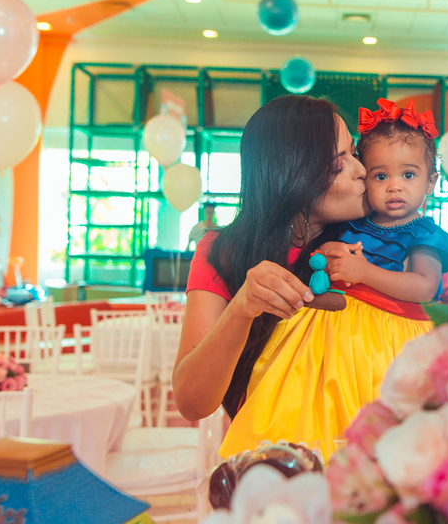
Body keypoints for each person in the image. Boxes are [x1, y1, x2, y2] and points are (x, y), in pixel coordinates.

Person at [173, 96, 434, 459]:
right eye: (340, 162)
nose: (362, 170)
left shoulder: (377, 248)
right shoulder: (222, 251)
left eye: (356, 154)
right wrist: (241, 309)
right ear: (296, 173)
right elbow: (192, 402)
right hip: (275, 463)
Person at [320, 98, 448, 303]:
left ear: (430, 183)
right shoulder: (353, 224)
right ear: (364, 178)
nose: (394, 186)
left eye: (408, 175)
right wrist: (328, 252)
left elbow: (425, 288)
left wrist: (365, 272)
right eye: (381, 176)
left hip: (394, 327)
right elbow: (324, 255)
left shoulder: (425, 236)